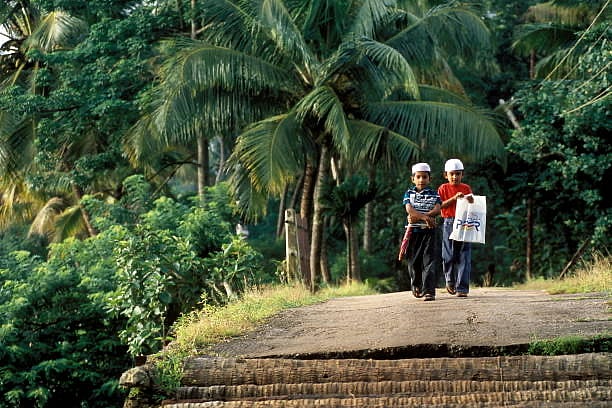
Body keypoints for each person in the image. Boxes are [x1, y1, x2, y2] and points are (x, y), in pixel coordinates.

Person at [402, 162, 441, 301]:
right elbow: (409, 210)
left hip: (429, 231)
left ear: (429, 179)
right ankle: (416, 285)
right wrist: (426, 217)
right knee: (413, 261)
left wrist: (428, 218)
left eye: (424, 177)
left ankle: (429, 291)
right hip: (413, 232)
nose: (421, 180)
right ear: (413, 178)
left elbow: (437, 209)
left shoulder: (434, 194)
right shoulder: (409, 193)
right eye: (418, 177)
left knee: (429, 261)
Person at [438, 158, 474, 297]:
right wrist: (453, 199)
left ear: (462, 175)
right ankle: (450, 281)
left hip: (464, 222)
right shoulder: (443, 188)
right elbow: (439, 206)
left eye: (458, 174)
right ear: (445, 175)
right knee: (448, 254)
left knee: (464, 254)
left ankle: (462, 288)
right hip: (448, 222)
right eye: (452, 174)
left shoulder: (466, 188)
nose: (455, 177)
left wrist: (470, 199)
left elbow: (473, 205)